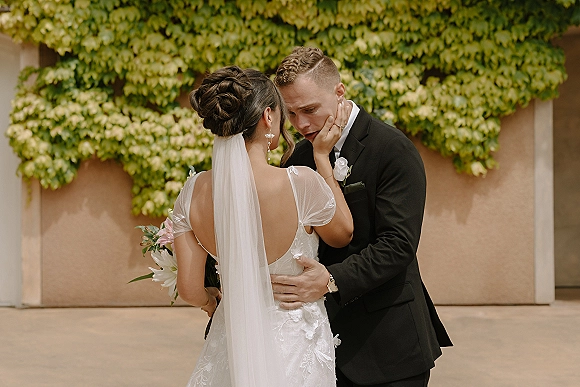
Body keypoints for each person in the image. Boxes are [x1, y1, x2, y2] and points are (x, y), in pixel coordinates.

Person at [271, 47, 453, 387]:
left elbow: (397, 246)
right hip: (315, 347)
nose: (301, 124)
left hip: (387, 345)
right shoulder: (296, 157)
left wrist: (330, 279)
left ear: (339, 92)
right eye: (291, 113)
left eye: (309, 109)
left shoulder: (392, 149)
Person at [171, 66, 354, 387]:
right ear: (268, 116)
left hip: (232, 338)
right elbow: (342, 235)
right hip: (295, 340)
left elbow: (188, 290)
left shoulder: (194, 190)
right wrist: (322, 158)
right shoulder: (301, 183)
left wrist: (211, 301)